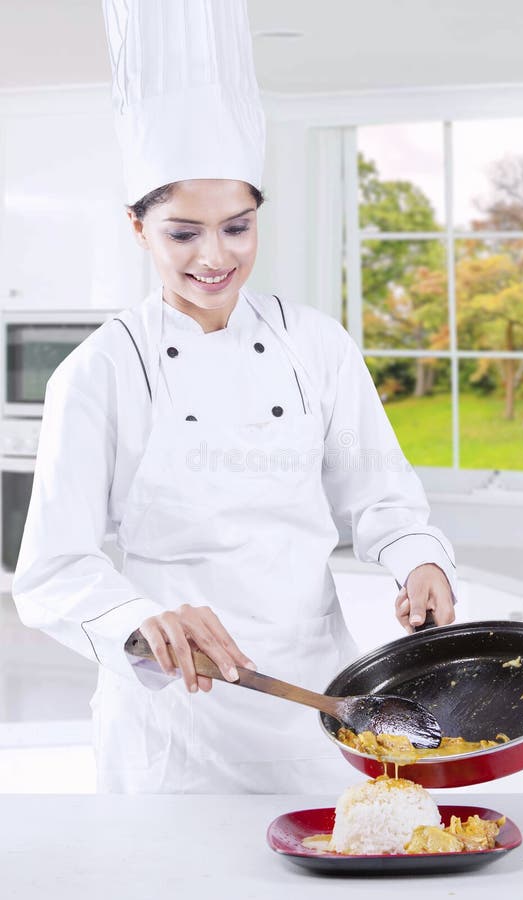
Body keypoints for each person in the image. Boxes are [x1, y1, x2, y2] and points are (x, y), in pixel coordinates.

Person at [12, 0, 457, 794]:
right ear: (138, 228)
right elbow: (53, 570)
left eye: (238, 227)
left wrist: (418, 560)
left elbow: (379, 493)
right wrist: (139, 621)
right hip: (178, 714)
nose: (215, 257)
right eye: (183, 232)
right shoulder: (99, 371)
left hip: (324, 698)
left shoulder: (315, 344)